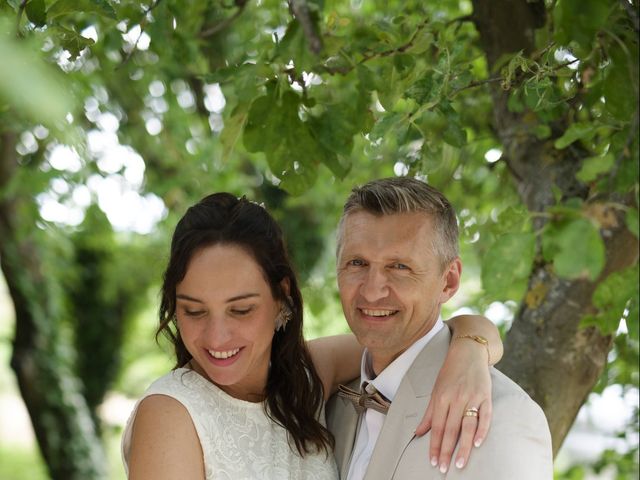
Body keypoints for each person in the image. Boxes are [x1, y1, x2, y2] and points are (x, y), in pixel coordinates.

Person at [121, 192, 504, 479]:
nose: (217, 336)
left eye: (241, 309)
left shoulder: (306, 376)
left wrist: (471, 352)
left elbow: (409, 334)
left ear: (281, 297)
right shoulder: (170, 413)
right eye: (194, 310)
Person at [326, 177, 553, 480]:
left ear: (449, 281)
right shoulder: (324, 398)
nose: (372, 291)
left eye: (399, 267)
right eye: (357, 263)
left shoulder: (504, 416)